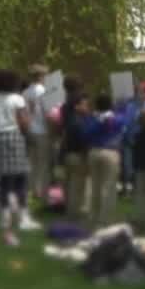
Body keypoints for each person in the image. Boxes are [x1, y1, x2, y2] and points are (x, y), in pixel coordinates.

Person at [0, 69, 30, 246]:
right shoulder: (17, 99)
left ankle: (4, 216)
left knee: (4, 180)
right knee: (20, 178)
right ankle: (23, 216)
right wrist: (27, 127)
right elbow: (23, 122)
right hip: (15, 137)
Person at [85, 93, 128, 229]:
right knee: (108, 187)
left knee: (95, 185)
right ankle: (105, 219)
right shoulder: (117, 118)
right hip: (111, 152)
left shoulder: (92, 119)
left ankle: (93, 216)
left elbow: (86, 132)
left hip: (94, 151)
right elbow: (124, 122)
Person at [61, 91, 92, 221]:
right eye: (85, 105)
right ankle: (79, 212)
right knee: (80, 186)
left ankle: (71, 211)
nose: (87, 107)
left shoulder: (71, 120)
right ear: (77, 106)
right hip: (78, 156)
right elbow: (83, 141)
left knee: (70, 186)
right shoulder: (79, 122)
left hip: (69, 155)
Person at [22, 65, 50, 203]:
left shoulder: (25, 92)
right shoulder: (44, 91)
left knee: (31, 161)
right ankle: (40, 191)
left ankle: (31, 188)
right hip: (42, 129)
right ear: (41, 76)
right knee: (43, 162)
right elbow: (48, 112)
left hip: (29, 129)